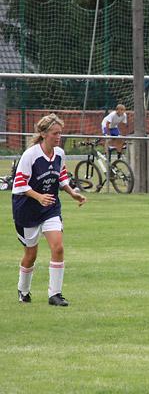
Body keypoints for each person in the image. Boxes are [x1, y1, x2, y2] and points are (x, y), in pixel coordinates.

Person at [12, 113, 87, 306]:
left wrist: (72, 193)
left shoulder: (59, 153)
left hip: (50, 207)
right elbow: (19, 184)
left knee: (58, 247)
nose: (58, 136)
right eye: (55, 133)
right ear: (44, 134)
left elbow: (61, 177)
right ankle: (23, 290)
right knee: (31, 255)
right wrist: (39, 197)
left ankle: (55, 295)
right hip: (26, 210)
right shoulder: (30, 155)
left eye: (60, 133)